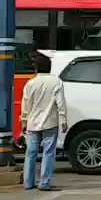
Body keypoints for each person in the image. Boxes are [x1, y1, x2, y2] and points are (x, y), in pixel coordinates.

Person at [20, 51, 67, 192]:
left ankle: (28, 183)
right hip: (50, 123)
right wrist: (63, 121)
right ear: (50, 68)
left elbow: (25, 105)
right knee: (48, 153)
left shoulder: (30, 84)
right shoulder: (56, 82)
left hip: (32, 123)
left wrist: (23, 121)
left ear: (36, 68)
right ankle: (44, 183)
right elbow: (61, 104)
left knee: (31, 153)